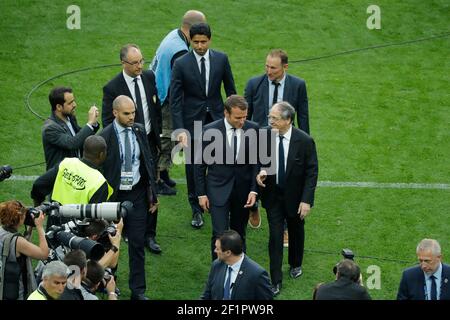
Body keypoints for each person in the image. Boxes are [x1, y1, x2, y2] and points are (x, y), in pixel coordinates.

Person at [170, 22, 236, 229]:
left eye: (203, 42)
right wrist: (180, 130)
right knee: (193, 166)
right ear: (190, 40)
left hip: (218, 119)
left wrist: (236, 119)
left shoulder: (222, 59)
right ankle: (196, 208)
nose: (199, 46)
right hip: (191, 123)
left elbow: (231, 91)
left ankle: (222, 202)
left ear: (210, 40)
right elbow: (175, 100)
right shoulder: (181, 63)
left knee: (223, 161)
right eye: (196, 42)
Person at [102, 44, 164, 254]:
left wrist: (157, 134)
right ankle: (127, 229)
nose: (140, 66)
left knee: (151, 185)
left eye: (141, 61)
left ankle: (150, 234)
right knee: (128, 185)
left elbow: (154, 108)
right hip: (126, 143)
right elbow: (107, 120)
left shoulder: (148, 77)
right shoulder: (112, 88)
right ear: (123, 63)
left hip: (147, 140)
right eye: (135, 63)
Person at [245, 49, 310, 241]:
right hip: (259, 139)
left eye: (273, 67)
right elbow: (247, 116)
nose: (268, 71)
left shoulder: (298, 85)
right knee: (256, 176)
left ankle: (282, 226)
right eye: (266, 66)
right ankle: (254, 206)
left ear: (285, 67)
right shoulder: (254, 83)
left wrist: (305, 141)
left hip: (284, 138)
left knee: (281, 180)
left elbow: (303, 115)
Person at [256, 101, 318, 296]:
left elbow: (311, 172)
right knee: (275, 237)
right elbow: (257, 160)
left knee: (296, 231)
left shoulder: (305, 141)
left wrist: (306, 200)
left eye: (274, 118)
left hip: (296, 198)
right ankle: (275, 280)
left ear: (288, 120)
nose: (270, 121)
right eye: (270, 117)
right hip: (273, 196)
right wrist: (261, 171)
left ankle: (295, 263)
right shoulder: (264, 135)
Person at [100, 95, 159, 300]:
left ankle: (138, 291)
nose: (132, 116)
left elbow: (148, 161)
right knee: (109, 243)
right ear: (115, 113)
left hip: (137, 195)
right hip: (114, 197)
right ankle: (109, 284)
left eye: (133, 112)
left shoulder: (139, 130)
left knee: (137, 243)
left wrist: (153, 194)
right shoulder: (105, 136)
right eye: (127, 113)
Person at [195, 95, 259, 260]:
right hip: (217, 190)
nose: (242, 121)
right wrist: (201, 194)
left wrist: (253, 191)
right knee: (219, 235)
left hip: (243, 192)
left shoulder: (253, 129)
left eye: (245, 117)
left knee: (239, 234)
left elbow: (256, 165)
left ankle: (239, 273)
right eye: (238, 118)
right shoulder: (209, 130)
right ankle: (218, 272)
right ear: (226, 113)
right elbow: (199, 165)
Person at [150, 10, 206, 192]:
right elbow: (182, 82)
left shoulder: (174, 35)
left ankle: (164, 173)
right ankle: (157, 179)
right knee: (168, 137)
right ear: (191, 29)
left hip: (158, 92)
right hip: (166, 99)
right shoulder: (180, 51)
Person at [31, 135, 113, 206]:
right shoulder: (100, 183)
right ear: (101, 154)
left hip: (55, 221)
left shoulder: (66, 163)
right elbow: (96, 217)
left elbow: (38, 185)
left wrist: (38, 206)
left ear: (84, 150)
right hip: (80, 224)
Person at [201, 230, 273, 300]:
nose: (215, 251)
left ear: (228, 253)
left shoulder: (257, 274)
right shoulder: (216, 265)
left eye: (217, 249)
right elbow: (207, 295)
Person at [0, 201, 49, 300]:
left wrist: (30, 226)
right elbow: (44, 254)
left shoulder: (2, 231)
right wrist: (39, 226)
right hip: (15, 291)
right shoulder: (18, 242)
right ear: (20, 218)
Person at [43, 86, 100, 171]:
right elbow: (72, 143)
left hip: (74, 173)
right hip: (60, 176)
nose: (75, 105)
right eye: (70, 103)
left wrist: (93, 123)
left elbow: (80, 137)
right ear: (58, 107)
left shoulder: (70, 117)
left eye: (73, 101)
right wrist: (90, 123)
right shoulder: (50, 128)